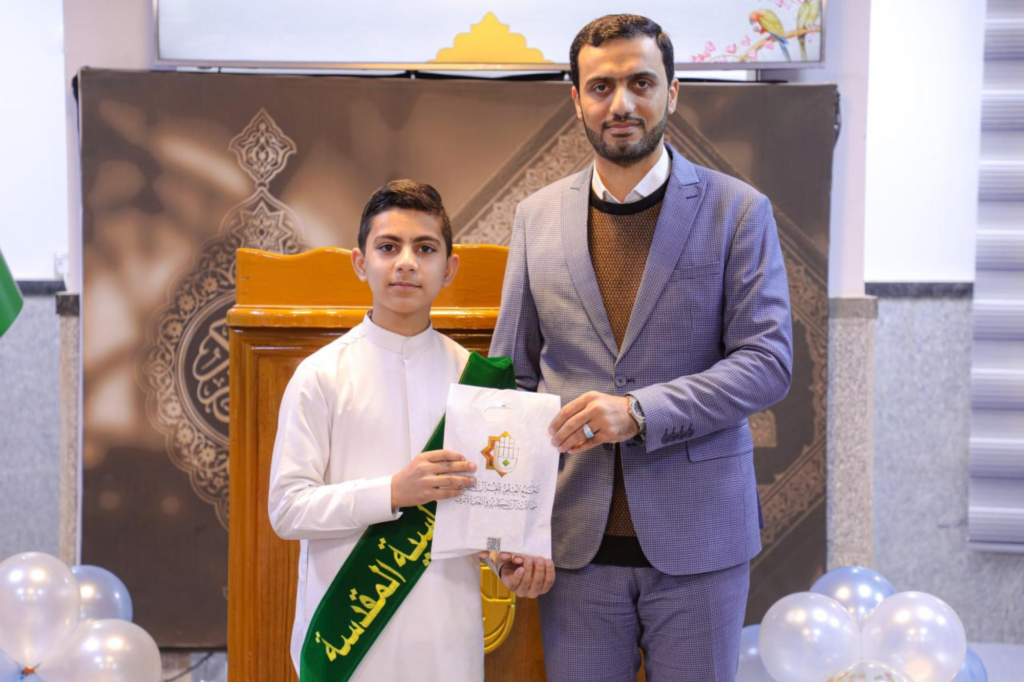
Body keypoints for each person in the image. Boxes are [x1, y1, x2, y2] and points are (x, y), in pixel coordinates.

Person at [490, 14, 794, 681]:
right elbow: (511, 381)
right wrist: (510, 525)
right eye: (601, 87)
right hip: (572, 545)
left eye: (641, 83)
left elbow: (767, 362)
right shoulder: (536, 217)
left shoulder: (739, 211)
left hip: (700, 540)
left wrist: (638, 412)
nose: (621, 103)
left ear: (672, 92)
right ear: (576, 99)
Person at [267, 179, 554, 681]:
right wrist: (393, 491)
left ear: (449, 267)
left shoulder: (476, 381)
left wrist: (505, 561)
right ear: (360, 262)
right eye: (388, 247)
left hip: (447, 638)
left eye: (424, 248)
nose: (406, 262)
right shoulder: (320, 375)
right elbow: (288, 509)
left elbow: (485, 516)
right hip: (349, 638)